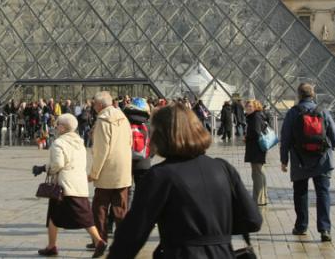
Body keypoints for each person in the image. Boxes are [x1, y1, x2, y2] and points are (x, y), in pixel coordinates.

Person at [108, 103, 262, 258]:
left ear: (162, 136)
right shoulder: (223, 168)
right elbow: (253, 220)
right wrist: (216, 230)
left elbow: (133, 234)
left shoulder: (160, 176)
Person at [33, 114, 106, 257]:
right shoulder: (79, 143)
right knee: (53, 215)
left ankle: (99, 242)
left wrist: (43, 168)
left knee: (83, 216)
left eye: (57, 124)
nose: (56, 126)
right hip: (78, 184)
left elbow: (58, 165)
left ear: (62, 127)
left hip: (64, 185)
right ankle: (51, 246)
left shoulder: (59, 143)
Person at [279, 83, 335, 242]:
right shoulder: (323, 111)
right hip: (322, 159)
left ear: (298, 95)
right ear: (313, 95)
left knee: (300, 193)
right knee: (323, 193)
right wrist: (329, 149)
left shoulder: (292, 113)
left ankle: (301, 226)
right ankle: (325, 229)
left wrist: (284, 160)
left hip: (299, 159)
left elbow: (285, 138)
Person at [88, 91, 132, 248]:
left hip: (107, 171)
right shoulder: (123, 117)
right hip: (123, 170)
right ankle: (124, 241)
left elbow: (101, 151)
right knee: (120, 209)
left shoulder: (102, 121)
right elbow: (130, 142)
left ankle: (100, 240)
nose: (93, 107)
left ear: (100, 105)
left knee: (100, 207)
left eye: (94, 104)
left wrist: (93, 173)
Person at [122, 97, 152, 188]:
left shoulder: (124, 124)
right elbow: (154, 145)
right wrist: (148, 154)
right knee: (143, 190)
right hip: (144, 163)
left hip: (127, 162)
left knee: (127, 190)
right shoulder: (148, 126)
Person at [244, 99, 269, 206]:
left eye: (250, 106)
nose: (248, 108)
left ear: (256, 107)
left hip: (256, 149)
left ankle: (257, 199)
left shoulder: (255, 117)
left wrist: (247, 138)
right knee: (260, 172)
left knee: (256, 174)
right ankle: (263, 198)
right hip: (258, 148)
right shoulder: (258, 116)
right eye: (247, 106)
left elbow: (256, 133)